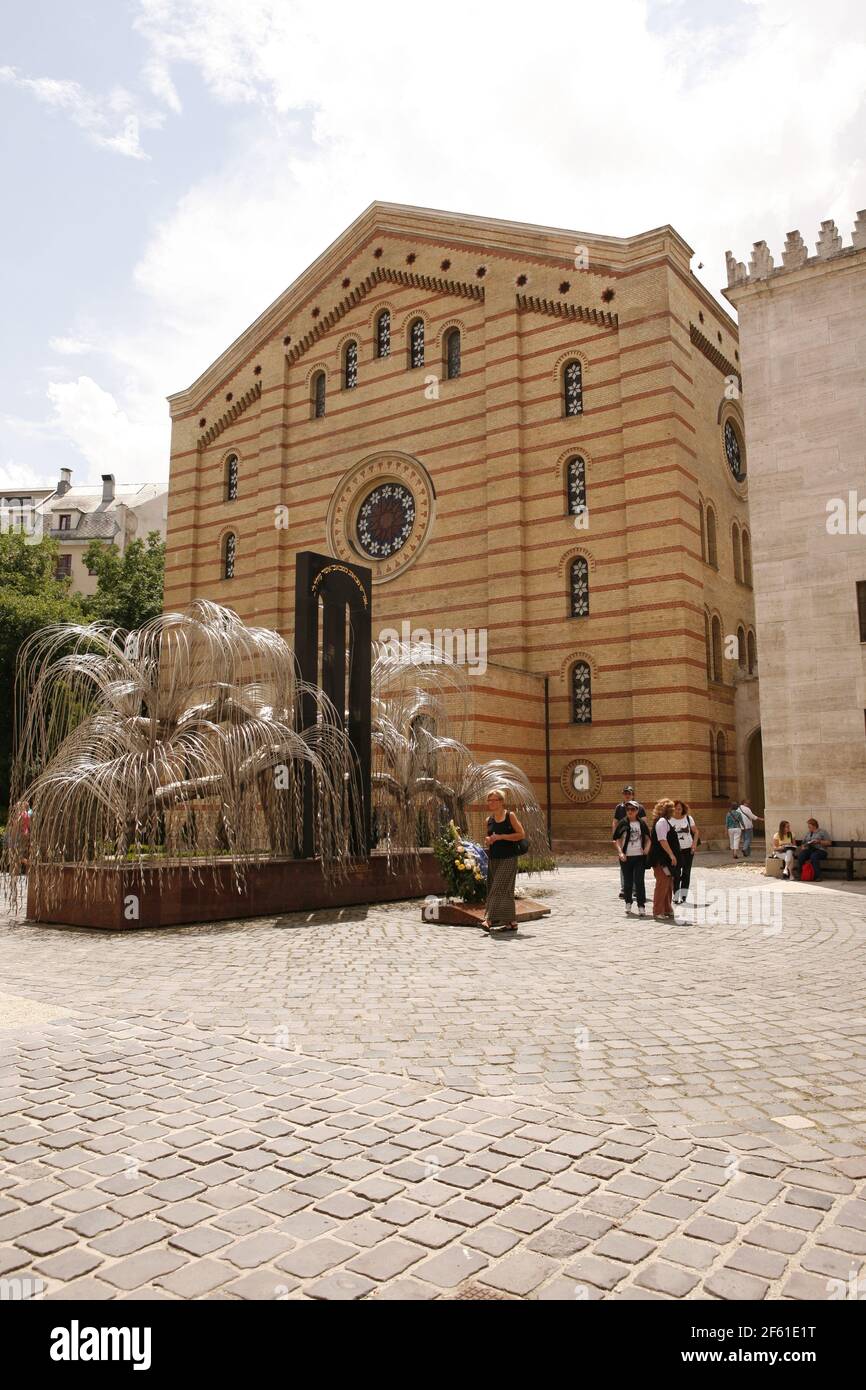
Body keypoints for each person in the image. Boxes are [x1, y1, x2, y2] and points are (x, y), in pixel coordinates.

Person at [482, 789, 526, 933]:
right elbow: (488, 839)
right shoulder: (488, 820)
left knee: (497, 888)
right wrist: (488, 841)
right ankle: (511, 922)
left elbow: (521, 834)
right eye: (489, 800)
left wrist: (501, 837)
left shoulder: (509, 816)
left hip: (509, 858)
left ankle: (489, 920)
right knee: (505, 891)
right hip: (494, 858)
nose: (491, 803)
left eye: (493, 800)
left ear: (501, 802)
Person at [612, 801, 650, 917]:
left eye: (632, 809)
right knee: (627, 883)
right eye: (628, 809)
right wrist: (620, 852)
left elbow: (649, 838)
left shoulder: (641, 824)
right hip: (626, 858)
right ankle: (628, 902)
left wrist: (647, 849)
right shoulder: (623, 823)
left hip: (639, 857)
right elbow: (616, 839)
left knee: (639, 882)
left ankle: (641, 906)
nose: (630, 811)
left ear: (637, 811)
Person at [611, 785, 647, 898]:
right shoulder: (619, 807)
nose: (627, 795)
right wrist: (615, 837)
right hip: (623, 839)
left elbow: (644, 823)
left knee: (637, 865)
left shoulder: (640, 807)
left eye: (629, 793)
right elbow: (615, 822)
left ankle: (636, 889)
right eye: (625, 793)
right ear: (623, 794)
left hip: (637, 840)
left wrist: (645, 842)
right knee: (623, 863)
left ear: (633, 795)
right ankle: (624, 889)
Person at [648, 798, 678, 919]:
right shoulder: (662, 822)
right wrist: (671, 855)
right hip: (661, 859)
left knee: (668, 883)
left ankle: (667, 908)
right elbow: (662, 840)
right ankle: (658, 911)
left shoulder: (665, 821)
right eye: (672, 809)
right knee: (662, 883)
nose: (674, 811)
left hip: (665, 859)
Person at [670, 800, 699, 904]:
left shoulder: (688, 818)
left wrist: (694, 845)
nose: (677, 811)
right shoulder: (669, 820)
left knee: (686, 873)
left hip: (688, 849)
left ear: (683, 809)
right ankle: (676, 895)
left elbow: (696, 832)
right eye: (675, 809)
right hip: (676, 851)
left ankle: (684, 896)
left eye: (679, 809)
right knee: (676, 873)